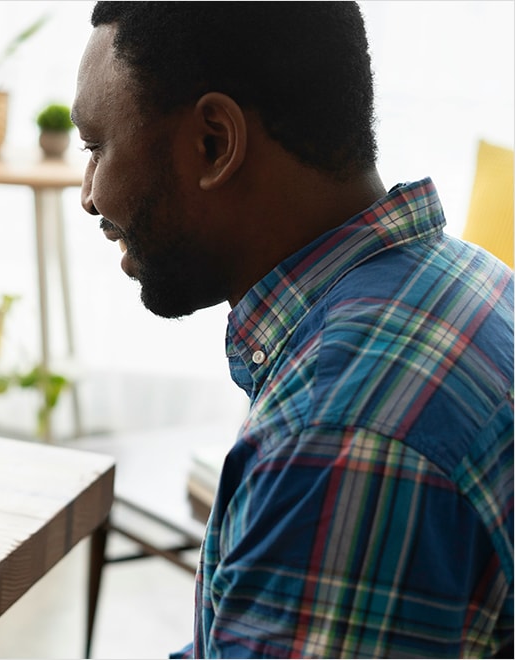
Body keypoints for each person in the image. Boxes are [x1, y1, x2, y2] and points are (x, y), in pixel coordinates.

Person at [72, 2, 513, 657]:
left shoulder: (337, 435)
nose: (88, 194)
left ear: (214, 143)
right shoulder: (472, 282)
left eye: (98, 147)